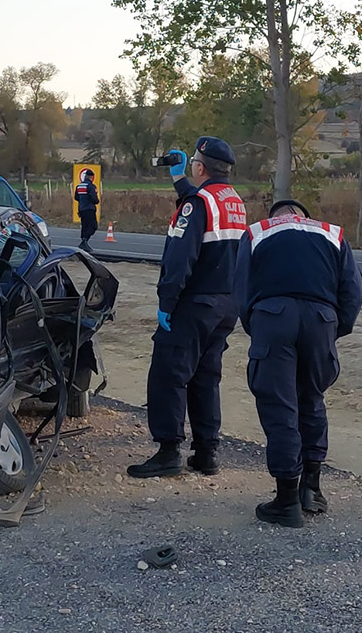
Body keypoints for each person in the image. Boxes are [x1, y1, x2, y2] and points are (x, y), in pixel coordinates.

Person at [234, 199, 362, 527]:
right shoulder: (332, 234)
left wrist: (259, 325)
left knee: (280, 408)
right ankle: (312, 489)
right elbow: (354, 292)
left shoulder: (257, 232)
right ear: (304, 217)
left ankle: (286, 501)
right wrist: (333, 329)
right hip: (321, 319)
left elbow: (240, 289)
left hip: (273, 316)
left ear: (276, 217)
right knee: (312, 400)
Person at [127, 136, 248, 479]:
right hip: (226, 304)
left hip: (194, 303)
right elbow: (201, 213)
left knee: (169, 374)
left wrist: (167, 300)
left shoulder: (198, 203)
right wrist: (179, 180)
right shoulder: (232, 200)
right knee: (205, 377)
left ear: (199, 166)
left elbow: (181, 256)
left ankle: (168, 451)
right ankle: (206, 452)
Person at [74, 168, 100, 252]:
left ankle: (83, 242)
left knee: (84, 226)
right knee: (93, 226)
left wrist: (82, 201)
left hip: (81, 209)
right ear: (91, 177)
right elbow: (94, 199)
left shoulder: (79, 186)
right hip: (89, 209)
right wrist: (96, 201)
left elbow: (76, 197)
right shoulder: (91, 186)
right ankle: (84, 241)